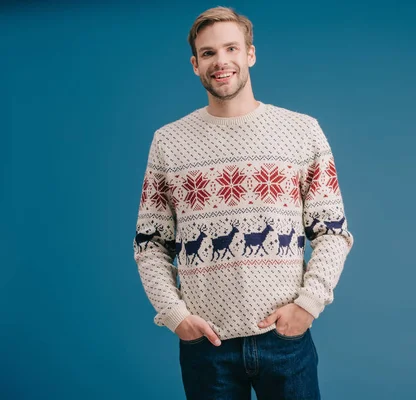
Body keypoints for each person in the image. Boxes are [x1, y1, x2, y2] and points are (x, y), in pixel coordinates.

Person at [133, 6, 354, 399]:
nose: (221, 61)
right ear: (195, 65)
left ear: (250, 54)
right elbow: (150, 244)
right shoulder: (168, 142)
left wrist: (309, 304)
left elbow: (332, 232)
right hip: (208, 347)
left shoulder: (301, 131)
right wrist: (175, 316)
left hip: (284, 341)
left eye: (231, 48)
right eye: (208, 53)